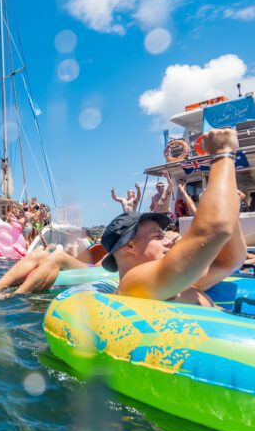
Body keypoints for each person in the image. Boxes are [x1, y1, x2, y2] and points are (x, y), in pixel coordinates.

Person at [101, 128, 245, 306]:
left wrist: (231, 206)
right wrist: (223, 152)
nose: (168, 240)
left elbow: (230, 261)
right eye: (158, 236)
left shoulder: (173, 283)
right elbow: (214, 230)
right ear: (129, 246)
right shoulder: (133, 283)